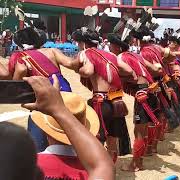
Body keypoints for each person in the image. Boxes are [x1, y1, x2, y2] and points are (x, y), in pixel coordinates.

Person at [23, 75, 115, 179]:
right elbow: (103, 166)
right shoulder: (92, 168)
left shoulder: (27, 166)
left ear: (45, 131)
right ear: (85, 129)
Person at [8, 26, 79, 152]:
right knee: (66, 127)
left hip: (44, 94)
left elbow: (21, 70)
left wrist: (15, 83)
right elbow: (70, 63)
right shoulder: (52, 51)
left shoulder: (22, 57)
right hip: (64, 91)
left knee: (39, 129)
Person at [72, 27, 133, 163]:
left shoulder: (86, 52)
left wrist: (78, 70)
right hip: (117, 102)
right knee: (112, 139)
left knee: (97, 139)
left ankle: (101, 172)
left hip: (101, 102)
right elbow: (129, 70)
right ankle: (111, 170)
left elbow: (87, 72)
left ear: (83, 43)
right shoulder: (111, 55)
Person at [108, 33, 161, 171]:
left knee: (138, 131)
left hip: (142, 94)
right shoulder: (138, 55)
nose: (109, 47)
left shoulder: (119, 57)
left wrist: (124, 78)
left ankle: (135, 165)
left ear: (117, 46)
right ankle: (140, 162)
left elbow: (130, 72)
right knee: (143, 130)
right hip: (152, 91)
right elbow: (157, 69)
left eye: (111, 44)